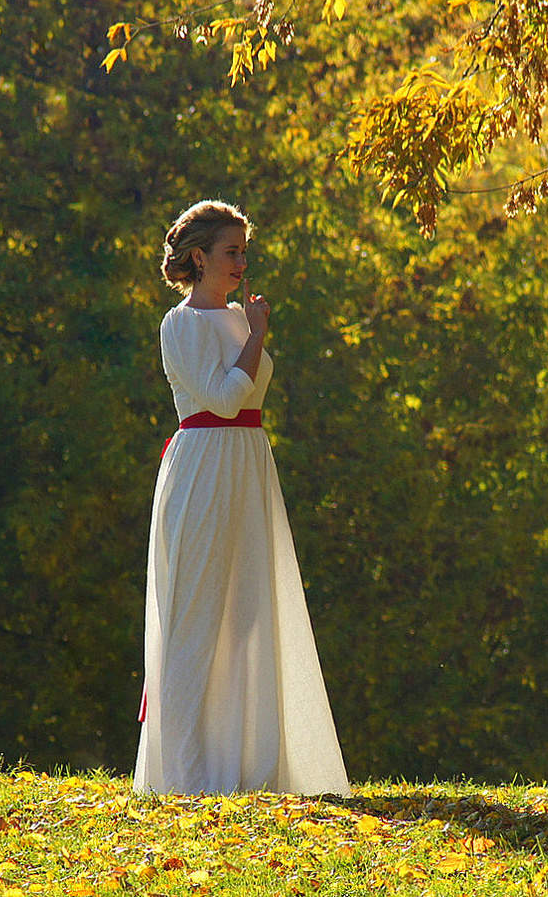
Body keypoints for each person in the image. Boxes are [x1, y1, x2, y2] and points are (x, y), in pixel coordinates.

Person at [133, 199, 351, 796]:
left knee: (250, 613)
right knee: (198, 613)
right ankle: (185, 773)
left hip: (249, 464)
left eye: (243, 252)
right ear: (198, 257)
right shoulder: (180, 324)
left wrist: (249, 330)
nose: (241, 262)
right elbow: (226, 397)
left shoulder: (236, 317)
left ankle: (247, 764)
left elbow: (248, 401)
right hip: (204, 466)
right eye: (231, 252)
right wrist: (256, 335)